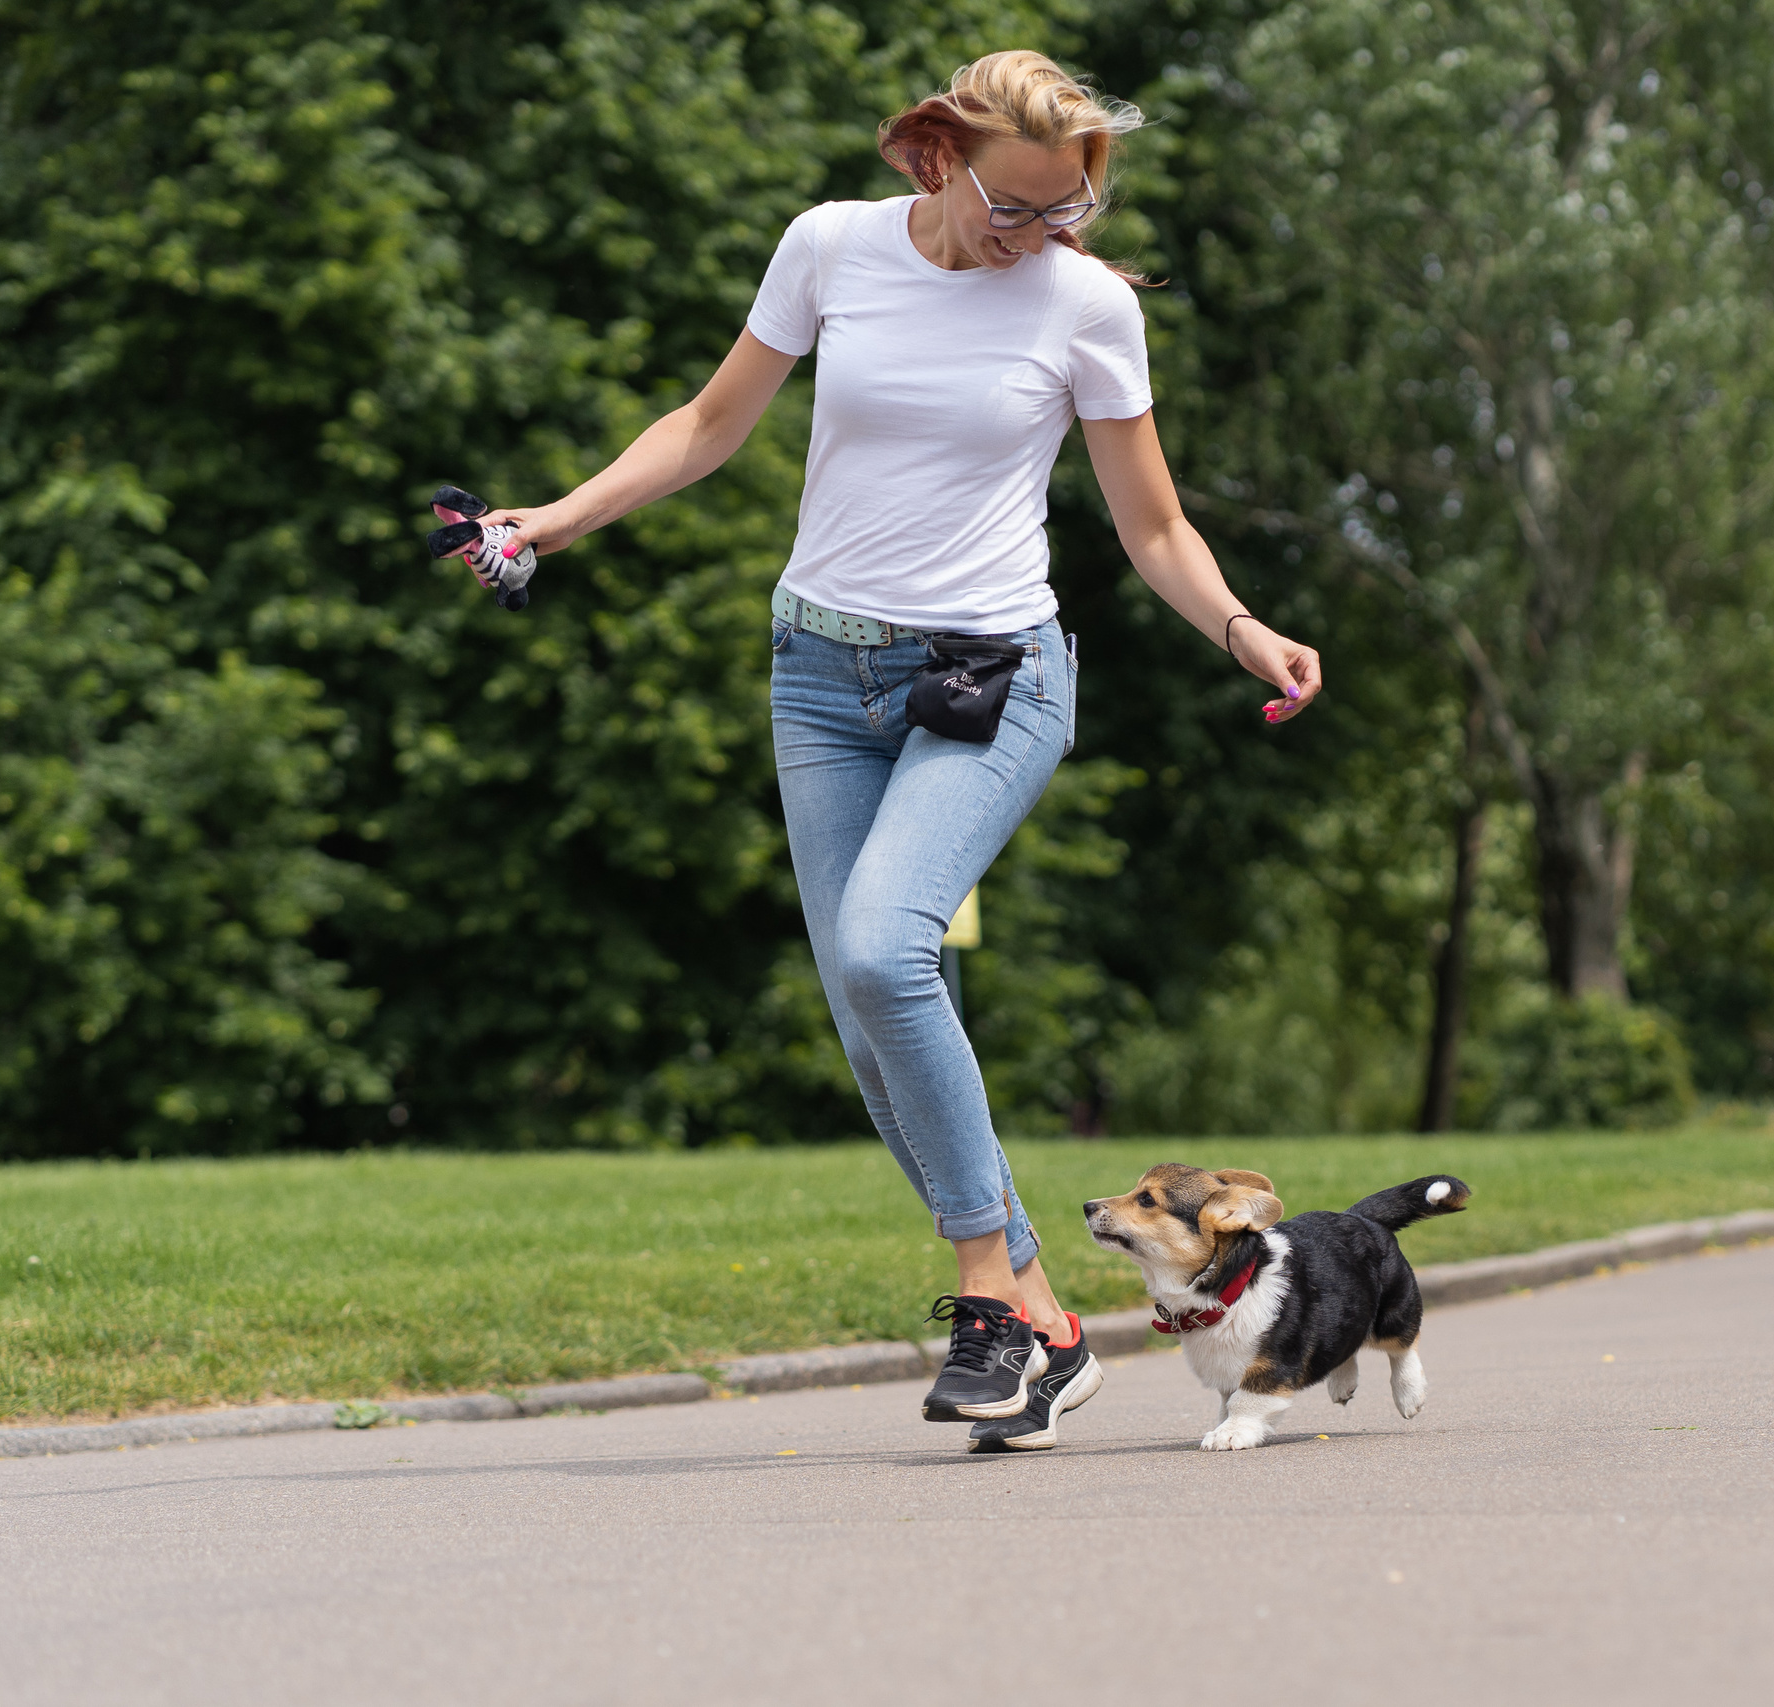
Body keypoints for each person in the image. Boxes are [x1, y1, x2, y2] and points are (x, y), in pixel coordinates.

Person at [463, 52, 1322, 1450]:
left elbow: (1151, 525)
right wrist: (549, 520)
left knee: (882, 950)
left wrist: (1242, 629)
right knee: (873, 1027)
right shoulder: (830, 248)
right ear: (936, 157)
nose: (1040, 237)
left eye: (1069, 213)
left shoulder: (1088, 309)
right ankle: (1047, 1327)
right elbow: (708, 422)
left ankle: (986, 1301)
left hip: (993, 680)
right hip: (818, 673)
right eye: (1019, 207)